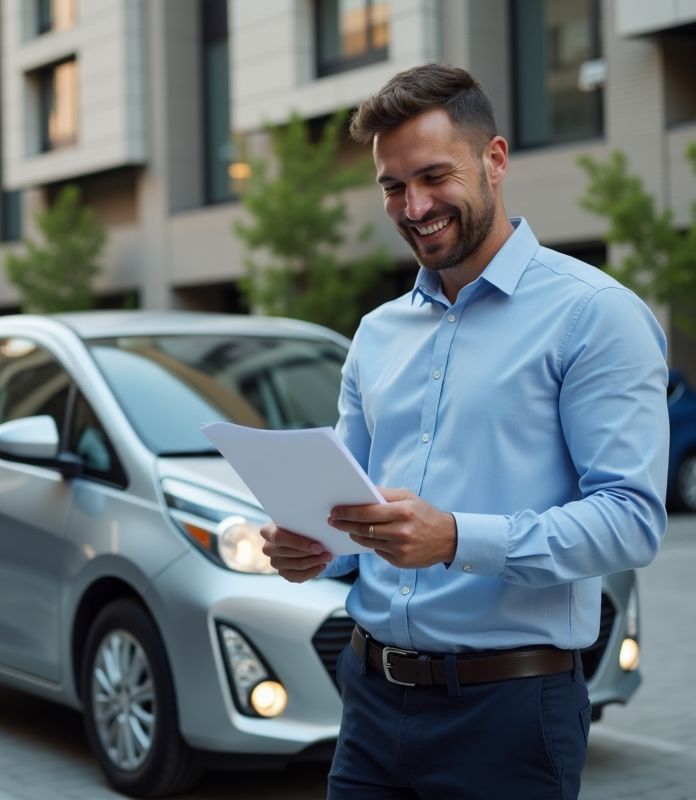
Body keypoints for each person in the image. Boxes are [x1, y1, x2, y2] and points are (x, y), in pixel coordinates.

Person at [260, 63, 670, 800]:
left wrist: (455, 538)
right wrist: (312, 552)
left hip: (509, 713)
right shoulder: (377, 333)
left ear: (496, 160)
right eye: (392, 186)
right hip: (369, 701)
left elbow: (631, 523)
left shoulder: (593, 315)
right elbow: (353, 519)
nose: (413, 206)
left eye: (432, 176)